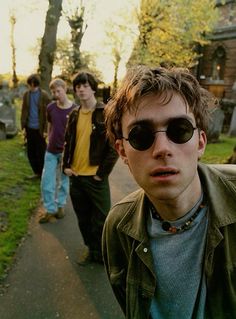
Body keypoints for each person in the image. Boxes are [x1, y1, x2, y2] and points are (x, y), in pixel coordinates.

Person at [102, 65, 236, 319]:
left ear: (200, 142)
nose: (162, 149)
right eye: (141, 135)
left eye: (179, 130)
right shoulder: (118, 228)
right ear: (122, 152)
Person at [62, 71, 118, 264]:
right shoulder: (74, 114)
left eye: (85, 86)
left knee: (102, 219)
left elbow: (113, 148)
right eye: (78, 87)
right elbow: (68, 143)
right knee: (83, 219)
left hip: (95, 178)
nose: (81, 90)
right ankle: (91, 250)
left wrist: (100, 175)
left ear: (93, 88)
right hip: (76, 177)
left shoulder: (105, 113)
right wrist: (65, 167)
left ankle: (102, 253)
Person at [39, 78, 76, 224]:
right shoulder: (51, 108)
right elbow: (49, 125)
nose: (56, 94)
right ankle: (50, 209)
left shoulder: (74, 110)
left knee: (63, 181)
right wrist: (48, 138)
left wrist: (70, 153)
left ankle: (60, 205)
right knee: (46, 181)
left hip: (65, 153)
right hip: (51, 151)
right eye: (53, 92)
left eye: (58, 91)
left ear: (64, 89)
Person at [21, 74, 51, 178]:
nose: (32, 87)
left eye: (34, 85)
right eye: (30, 85)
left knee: (41, 152)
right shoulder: (26, 95)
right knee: (30, 152)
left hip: (40, 128)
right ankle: (36, 173)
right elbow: (24, 110)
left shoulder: (44, 95)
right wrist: (23, 127)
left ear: (37, 84)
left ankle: (44, 173)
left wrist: (46, 129)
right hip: (29, 127)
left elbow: (48, 114)